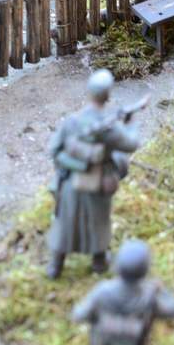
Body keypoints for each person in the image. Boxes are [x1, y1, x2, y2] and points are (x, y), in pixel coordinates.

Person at [46, 70, 143, 279]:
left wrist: (75, 166)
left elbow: (53, 149)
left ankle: (55, 266)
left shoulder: (72, 121)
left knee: (65, 222)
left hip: (71, 182)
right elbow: (132, 144)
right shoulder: (109, 129)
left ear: (89, 92)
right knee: (98, 222)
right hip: (99, 181)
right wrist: (131, 123)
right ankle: (99, 263)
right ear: (108, 95)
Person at [72, 240, 174, 345]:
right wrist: (159, 289)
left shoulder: (102, 292)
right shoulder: (149, 299)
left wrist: (99, 319)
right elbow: (173, 310)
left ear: (117, 266)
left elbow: (78, 315)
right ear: (145, 271)